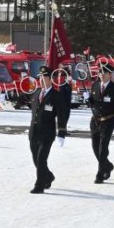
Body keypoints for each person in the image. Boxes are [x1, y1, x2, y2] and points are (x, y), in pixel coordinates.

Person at [84, 63, 114, 184]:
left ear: (109, 74)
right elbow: (92, 104)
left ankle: (100, 173)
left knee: (103, 148)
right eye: (100, 73)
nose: (101, 75)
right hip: (95, 121)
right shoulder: (95, 85)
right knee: (95, 147)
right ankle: (107, 165)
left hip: (108, 121)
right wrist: (88, 99)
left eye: (104, 73)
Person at [28, 66, 68, 194]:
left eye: (44, 77)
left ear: (50, 79)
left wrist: (61, 132)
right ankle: (48, 176)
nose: (40, 80)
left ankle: (39, 185)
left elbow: (62, 115)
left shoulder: (56, 96)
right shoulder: (36, 92)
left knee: (41, 159)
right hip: (34, 132)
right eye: (39, 77)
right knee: (35, 159)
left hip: (47, 133)